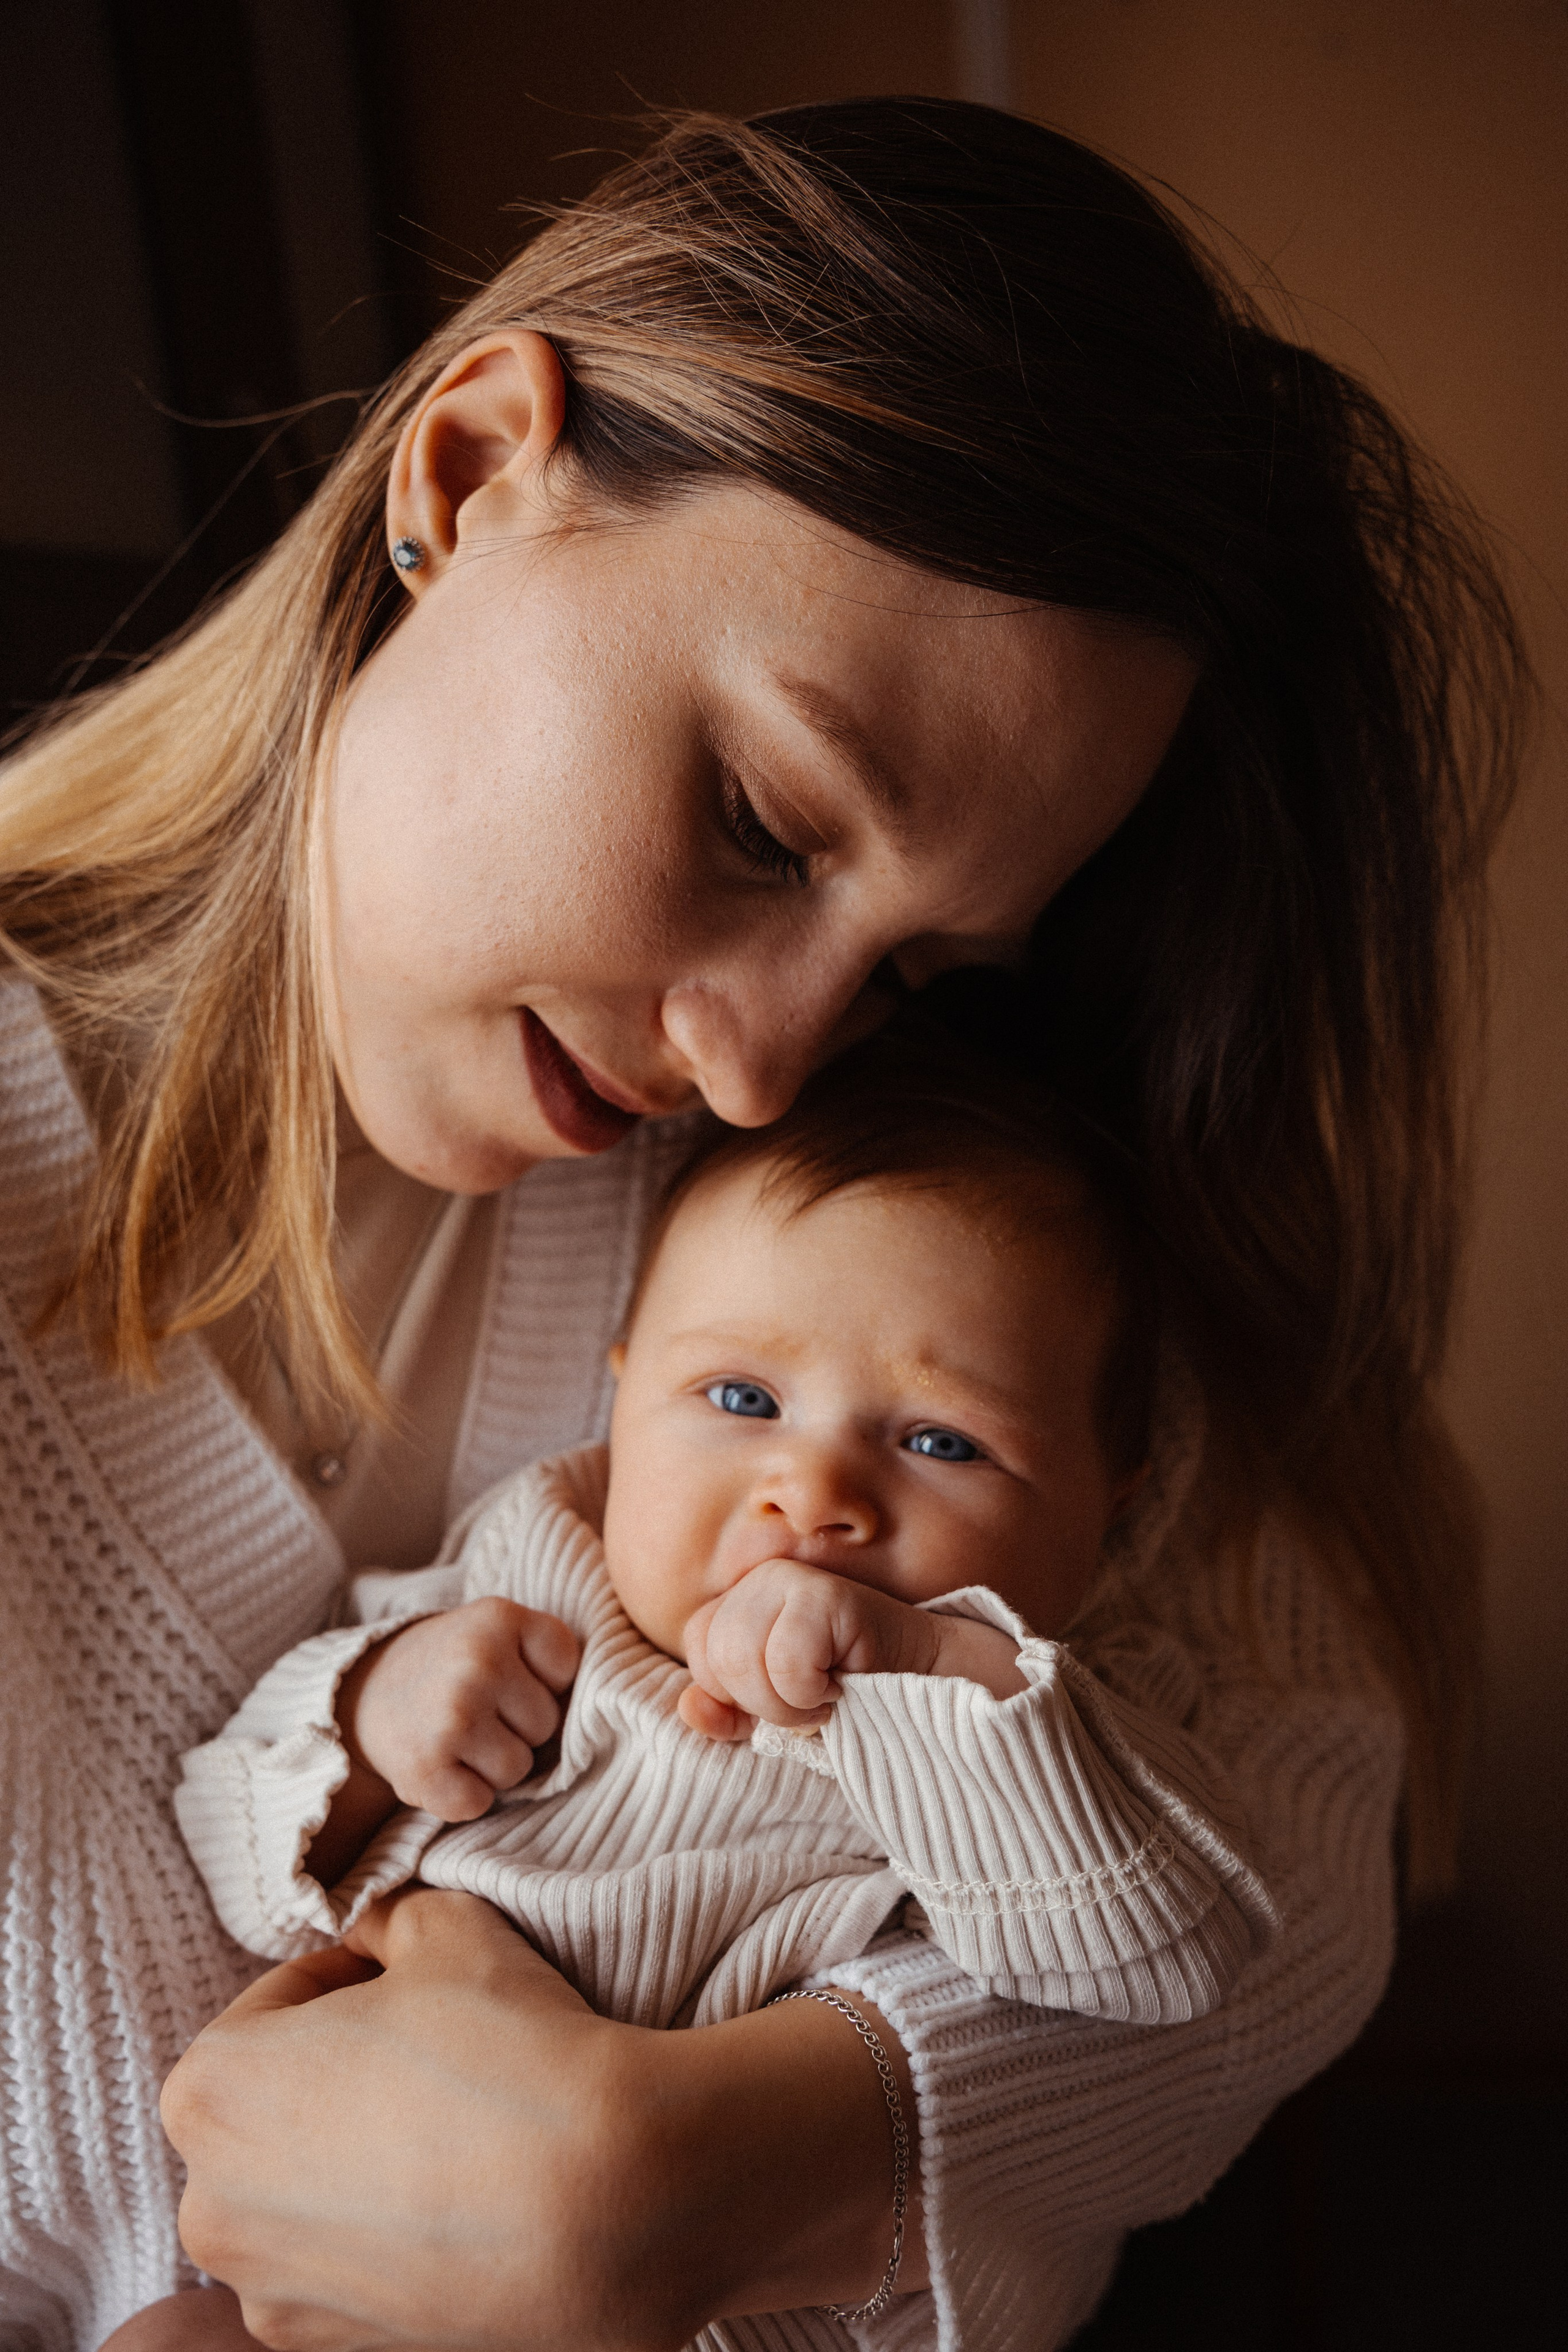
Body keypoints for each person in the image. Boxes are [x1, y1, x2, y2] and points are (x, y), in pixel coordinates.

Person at [0, 96, 1524, 2352]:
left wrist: (754, 2161)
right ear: (466, 476)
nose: (759, 1068)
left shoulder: (830, 1235)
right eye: (761, 820)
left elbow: (1297, 1812)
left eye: (916, 971)